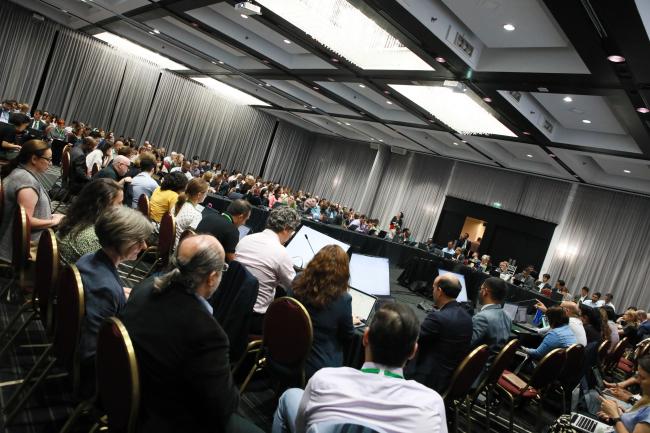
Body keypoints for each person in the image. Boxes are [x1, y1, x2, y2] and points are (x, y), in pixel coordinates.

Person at [121, 234, 261, 433]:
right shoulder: (207, 333)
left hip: (120, 392)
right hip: (159, 417)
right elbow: (222, 407)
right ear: (212, 278)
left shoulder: (145, 287)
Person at [272, 303, 448, 433]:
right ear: (413, 351)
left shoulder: (324, 380)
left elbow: (303, 427)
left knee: (291, 395)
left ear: (365, 338)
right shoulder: (431, 404)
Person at [76, 207, 151, 392]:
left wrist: (123, 293)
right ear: (123, 241)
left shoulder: (88, 259)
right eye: (139, 241)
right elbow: (91, 353)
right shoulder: (107, 290)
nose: (144, 247)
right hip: (94, 373)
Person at [290, 245, 355, 379]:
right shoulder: (343, 299)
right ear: (343, 271)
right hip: (315, 366)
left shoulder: (298, 280)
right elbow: (348, 336)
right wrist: (348, 320)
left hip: (285, 349)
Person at [235, 206, 300, 333]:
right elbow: (295, 287)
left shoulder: (246, 239)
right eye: (292, 232)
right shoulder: (281, 253)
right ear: (286, 229)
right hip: (254, 319)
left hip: (231, 305)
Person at [405, 274, 473, 393]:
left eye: (433, 288)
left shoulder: (438, 318)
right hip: (447, 376)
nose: (433, 291)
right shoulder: (467, 318)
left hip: (426, 379)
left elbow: (411, 340)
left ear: (439, 291)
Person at [0, 140, 64, 261]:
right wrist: (53, 221)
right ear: (34, 159)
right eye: (48, 159)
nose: (50, 164)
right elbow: (25, 221)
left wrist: (51, 216)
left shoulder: (20, 173)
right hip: (28, 247)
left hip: (28, 240)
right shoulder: (26, 182)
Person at [56, 179, 123, 265]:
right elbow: (104, 272)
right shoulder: (94, 239)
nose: (122, 207)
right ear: (103, 205)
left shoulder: (76, 218)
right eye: (119, 203)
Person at [597, 355, 650, 433]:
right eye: (638, 375)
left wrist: (615, 417)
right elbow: (635, 419)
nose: (638, 381)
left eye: (643, 378)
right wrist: (620, 414)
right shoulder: (647, 397)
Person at [471, 277, 512, 358]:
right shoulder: (508, 317)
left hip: (474, 368)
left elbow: (465, 345)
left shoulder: (482, 317)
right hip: (490, 367)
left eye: (481, 288)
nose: (479, 291)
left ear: (485, 292)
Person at [174, 178, 209, 247]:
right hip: (176, 249)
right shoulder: (197, 215)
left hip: (168, 242)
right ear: (199, 195)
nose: (206, 196)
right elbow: (190, 240)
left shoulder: (179, 203)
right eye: (206, 193)